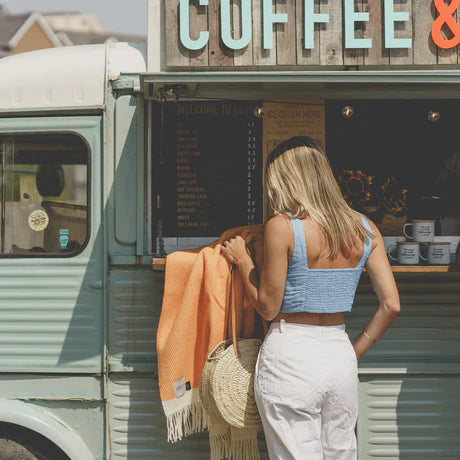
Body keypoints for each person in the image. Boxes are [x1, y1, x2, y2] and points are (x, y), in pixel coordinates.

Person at [220, 136, 400, 460]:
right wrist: (354, 349)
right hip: (339, 352)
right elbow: (391, 304)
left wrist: (244, 261)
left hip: (291, 355)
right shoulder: (366, 228)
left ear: (286, 180)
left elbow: (268, 307)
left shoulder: (282, 227)